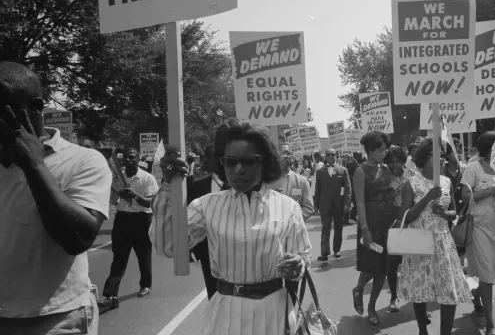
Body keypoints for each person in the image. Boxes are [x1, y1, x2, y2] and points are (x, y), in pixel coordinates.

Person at [151, 119, 311, 334]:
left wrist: (298, 264)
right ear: (221, 163)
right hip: (227, 312)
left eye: (249, 161)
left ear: (265, 162)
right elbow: (167, 246)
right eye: (230, 161)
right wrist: (169, 186)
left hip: (274, 310)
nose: (238, 169)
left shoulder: (288, 206)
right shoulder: (206, 205)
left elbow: (303, 255)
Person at [0, 61, 111, 334]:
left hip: (56, 320)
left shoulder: (83, 160)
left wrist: (34, 165)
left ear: (36, 106)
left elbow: (78, 238)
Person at [398, 138, 471, 335]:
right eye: (435, 155)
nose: (441, 159)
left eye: (442, 155)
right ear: (424, 157)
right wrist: (428, 198)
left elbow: (453, 213)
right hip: (419, 242)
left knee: (449, 291)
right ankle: (423, 329)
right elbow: (405, 217)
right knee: (420, 290)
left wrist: (442, 213)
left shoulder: (446, 181)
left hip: (443, 242)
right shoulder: (411, 183)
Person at [98, 146, 159, 308]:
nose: (129, 160)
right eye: (126, 157)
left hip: (142, 220)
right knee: (118, 259)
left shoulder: (147, 178)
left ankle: (145, 284)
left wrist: (134, 196)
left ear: (139, 159)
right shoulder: (117, 179)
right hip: (122, 220)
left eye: (132, 157)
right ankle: (111, 295)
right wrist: (116, 194)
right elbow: (113, 202)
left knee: (143, 255)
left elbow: (151, 203)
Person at [461, 131, 495, 333]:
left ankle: (477, 293)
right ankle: (490, 323)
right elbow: (465, 197)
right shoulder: (473, 168)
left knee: (492, 273)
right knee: (487, 275)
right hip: (480, 228)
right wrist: (491, 191)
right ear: (491, 148)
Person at [351, 131, 392, 325]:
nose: (384, 153)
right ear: (370, 151)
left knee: (383, 268)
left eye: (385, 150)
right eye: (380, 150)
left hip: (386, 225)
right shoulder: (360, 171)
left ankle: (372, 306)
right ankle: (358, 289)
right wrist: (365, 229)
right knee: (370, 266)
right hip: (370, 224)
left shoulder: (386, 170)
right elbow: (359, 203)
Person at [185, 144, 228, 300]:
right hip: (208, 251)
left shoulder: (239, 185)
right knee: (214, 295)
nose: (202, 160)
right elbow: (189, 219)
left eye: (206, 156)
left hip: (236, 250)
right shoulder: (197, 185)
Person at [384, 146, 415, 313]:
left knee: (411, 261)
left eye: (398, 161)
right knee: (392, 262)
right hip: (391, 222)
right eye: (391, 161)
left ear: (404, 161)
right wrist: (396, 191)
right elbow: (381, 198)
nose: (395, 165)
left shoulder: (412, 175)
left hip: (410, 221)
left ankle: (416, 299)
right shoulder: (384, 177)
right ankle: (394, 297)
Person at [313, 148, 351, 261]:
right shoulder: (320, 171)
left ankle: (337, 250)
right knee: (325, 228)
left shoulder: (343, 170)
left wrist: (347, 204)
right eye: (328, 154)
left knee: (338, 228)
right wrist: (316, 205)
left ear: (336, 156)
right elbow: (317, 189)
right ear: (325, 157)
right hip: (325, 204)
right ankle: (324, 252)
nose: (330, 156)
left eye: (332, 154)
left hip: (339, 204)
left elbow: (348, 189)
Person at [268, 143, 314, 220]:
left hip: (294, 228)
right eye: (282, 153)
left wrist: (291, 220)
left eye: (288, 153)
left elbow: (308, 208)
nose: (286, 156)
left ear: (292, 157)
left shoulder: (302, 181)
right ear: (275, 156)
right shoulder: (267, 181)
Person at [344, 151, 361, 224]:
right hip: (352, 185)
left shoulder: (354, 162)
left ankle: (352, 216)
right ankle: (347, 219)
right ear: (355, 155)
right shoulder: (351, 163)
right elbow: (348, 175)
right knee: (350, 202)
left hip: (354, 185)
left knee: (356, 202)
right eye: (359, 155)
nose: (360, 156)